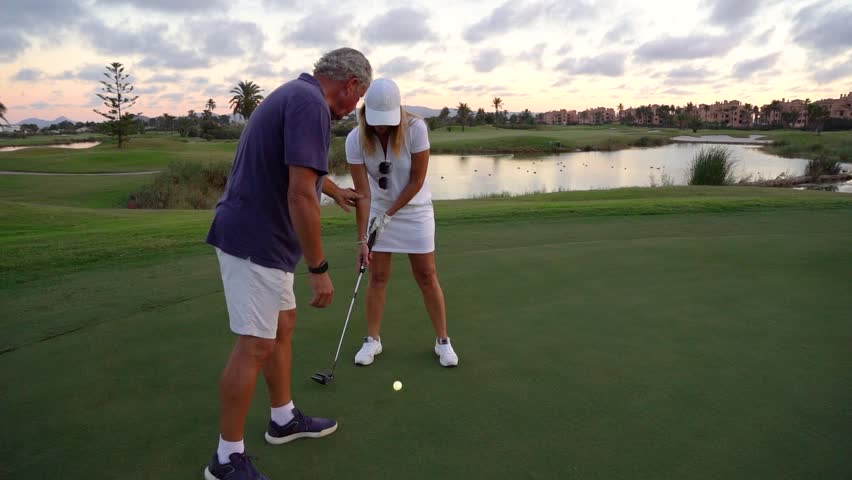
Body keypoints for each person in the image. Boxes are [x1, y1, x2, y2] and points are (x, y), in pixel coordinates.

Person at [203, 48, 371, 480]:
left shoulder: (300, 96)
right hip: (254, 239)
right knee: (255, 344)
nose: (355, 107)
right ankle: (226, 459)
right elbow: (299, 194)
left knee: (283, 325)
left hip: (265, 241)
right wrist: (318, 269)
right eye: (360, 96)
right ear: (349, 84)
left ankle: (283, 419)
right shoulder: (310, 103)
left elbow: (303, 173)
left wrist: (332, 191)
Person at [345, 78, 459, 368]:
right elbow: (362, 193)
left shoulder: (415, 130)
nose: (381, 127)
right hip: (378, 209)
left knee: (426, 275)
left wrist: (389, 215)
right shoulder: (354, 139)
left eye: (387, 121)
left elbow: (416, 181)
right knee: (378, 277)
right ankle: (372, 341)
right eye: (376, 121)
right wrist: (362, 238)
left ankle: (443, 341)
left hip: (415, 210)